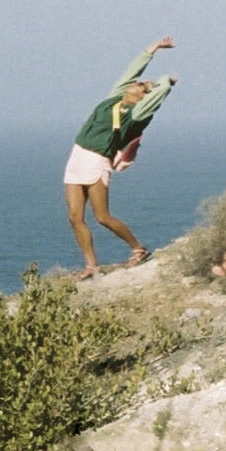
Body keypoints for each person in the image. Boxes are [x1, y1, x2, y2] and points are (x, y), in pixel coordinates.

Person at [64, 36, 178, 278]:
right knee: (74, 217)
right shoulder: (113, 99)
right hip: (77, 156)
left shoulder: (135, 114)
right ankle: (91, 266)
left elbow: (157, 96)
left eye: (137, 86)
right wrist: (153, 49)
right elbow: (130, 72)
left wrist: (165, 81)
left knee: (102, 217)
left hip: (96, 160)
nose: (132, 85)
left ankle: (138, 249)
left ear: (141, 96)